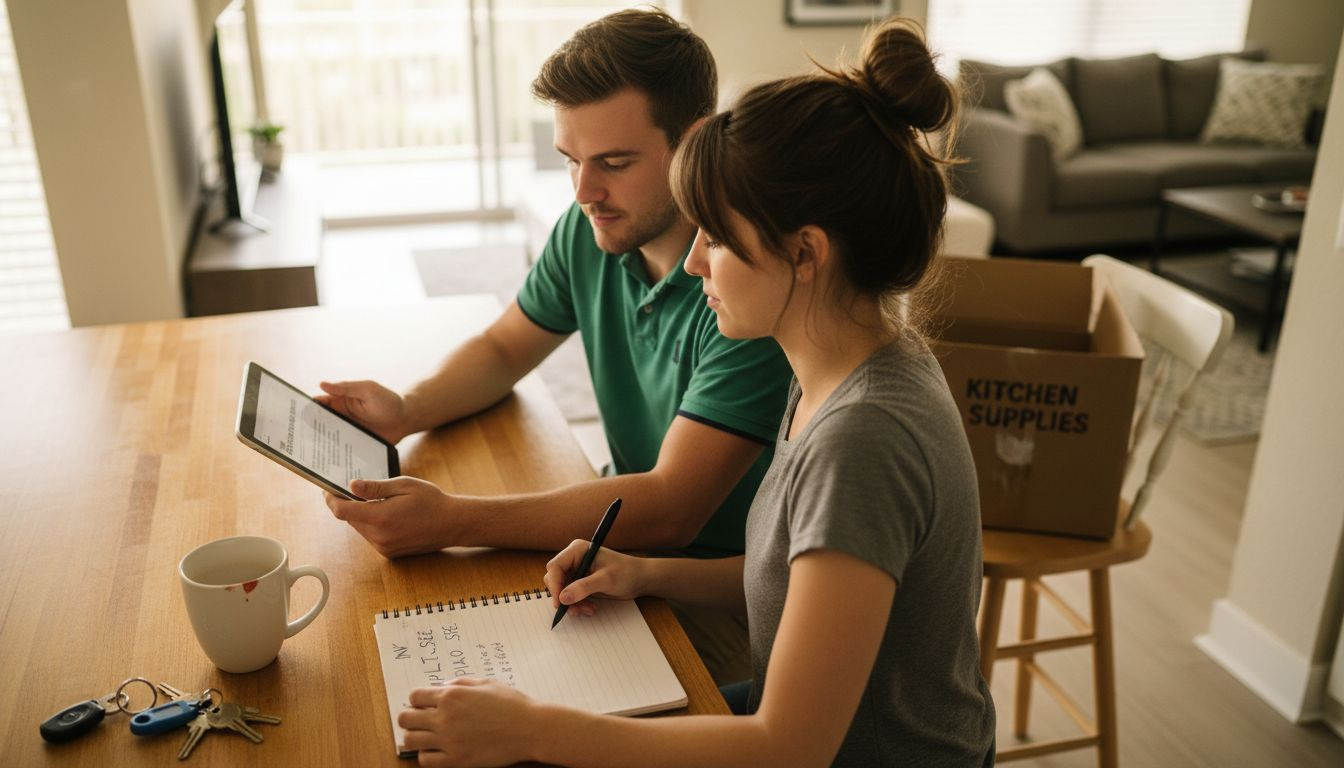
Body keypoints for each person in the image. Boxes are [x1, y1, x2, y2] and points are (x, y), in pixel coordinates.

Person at [392, 17, 996, 768]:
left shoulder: (861, 438)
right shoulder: (844, 367)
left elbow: (788, 747)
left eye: (714, 237)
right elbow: (793, 576)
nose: (691, 265)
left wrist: (533, 730)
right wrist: (645, 573)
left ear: (805, 254)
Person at [319, 9, 791, 685]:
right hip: (620, 555)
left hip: (722, 598)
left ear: (695, 143)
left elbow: (669, 509)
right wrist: (408, 409)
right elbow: (508, 346)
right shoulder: (593, 228)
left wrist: (452, 520)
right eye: (571, 161)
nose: (583, 193)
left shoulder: (748, 288)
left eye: (614, 163)